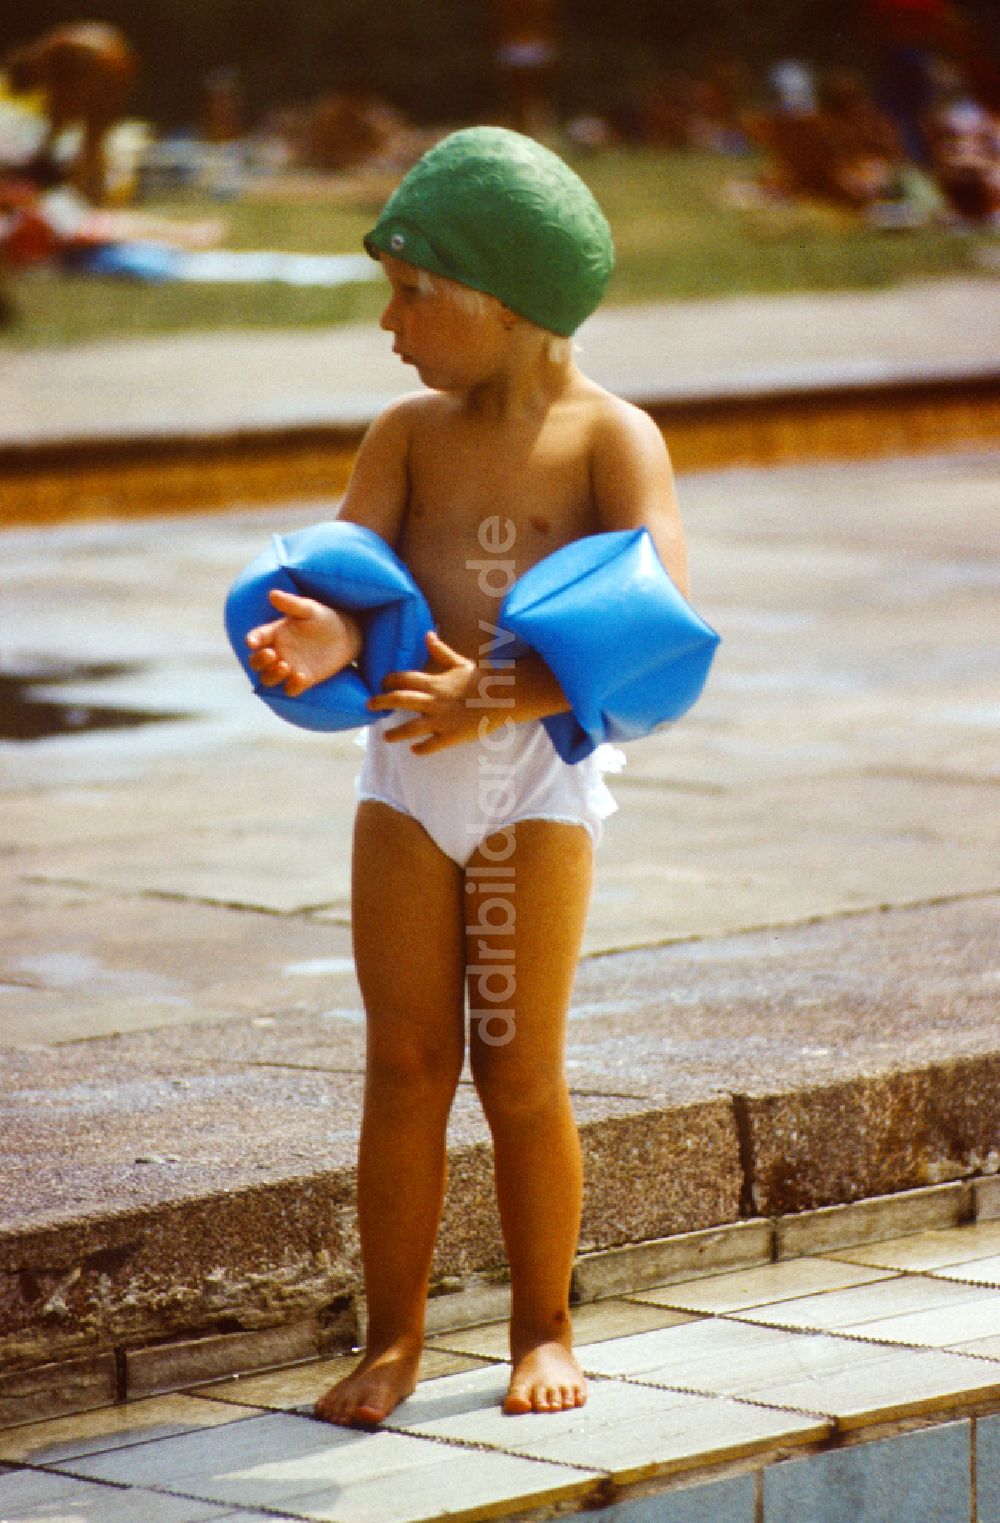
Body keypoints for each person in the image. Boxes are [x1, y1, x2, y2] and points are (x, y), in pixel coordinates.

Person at [243, 126, 688, 1427]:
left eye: (412, 291)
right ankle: (394, 1342)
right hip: (405, 780)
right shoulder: (407, 434)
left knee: (518, 1069)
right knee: (404, 1063)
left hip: (533, 787)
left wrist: (501, 689)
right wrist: (316, 635)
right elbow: (347, 581)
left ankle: (543, 1328)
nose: (390, 322)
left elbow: (655, 625)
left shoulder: (613, 439)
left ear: (499, 300)